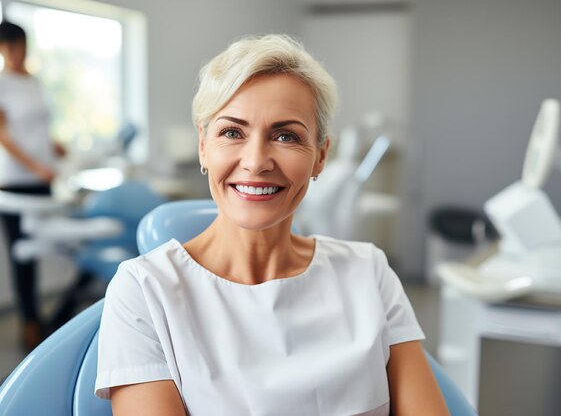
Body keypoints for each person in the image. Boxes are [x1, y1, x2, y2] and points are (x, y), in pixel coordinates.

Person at [95, 34, 450, 416]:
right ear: (203, 146)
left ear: (320, 157)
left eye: (286, 136)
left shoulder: (368, 272)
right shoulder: (144, 291)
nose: (256, 161)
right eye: (232, 132)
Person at [0, 20, 61, 351]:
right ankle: (29, 323)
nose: (13, 52)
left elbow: (38, 130)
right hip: (16, 182)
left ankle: (43, 320)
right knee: (21, 257)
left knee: (42, 250)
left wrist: (55, 148)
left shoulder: (35, 82)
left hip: (43, 178)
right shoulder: (2, 83)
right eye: (7, 46)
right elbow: (4, 137)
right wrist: (36, 166)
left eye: (17, 45)